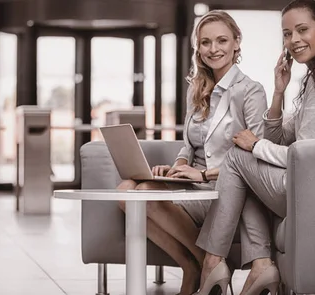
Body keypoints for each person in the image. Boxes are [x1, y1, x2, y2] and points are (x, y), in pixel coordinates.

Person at [194, 0, 315, 295]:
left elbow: (303, 157)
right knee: (244, 171)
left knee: (236, 159)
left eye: (302, 30)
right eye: (287, 34)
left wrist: (255, 145)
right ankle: (260, 268)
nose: (294, 40)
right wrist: (279, 92)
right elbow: (282, 139)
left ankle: (214, 262)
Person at [115, 10, 268, 295]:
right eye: (206, 43)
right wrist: (178, 165)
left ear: (237, 43)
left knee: (145, 194)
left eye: (222, 41)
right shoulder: (197, 89)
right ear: (198, 47)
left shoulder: (251, 91)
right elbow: (189, 145)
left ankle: (203, 266)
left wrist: (200, 173)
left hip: (224, 188)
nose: (214, 49)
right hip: (191, 182)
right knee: (127, 191)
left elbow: (254, 158)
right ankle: (193, 263)